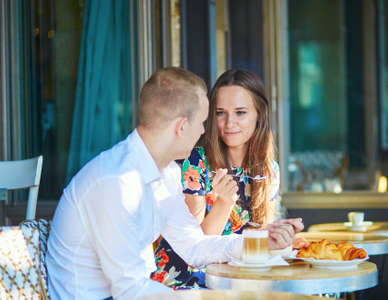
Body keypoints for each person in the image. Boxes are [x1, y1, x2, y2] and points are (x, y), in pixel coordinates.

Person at [46, 67, 303, 300]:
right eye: (203, 122)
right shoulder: (116, 181)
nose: (205, 131)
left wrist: (260, 241)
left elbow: (194, 246)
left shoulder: (165, 173)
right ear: (181, 126)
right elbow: (130, 290)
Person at [153, 69, 308, 288]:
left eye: (240, 112)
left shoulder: (269, 170)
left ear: (259, 115)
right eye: (220, 113)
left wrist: (277, 234)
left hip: (236, 280)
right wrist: (224, 204)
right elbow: (196, 249)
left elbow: (254, 240)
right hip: (186, 282)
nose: (229, 123)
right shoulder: (194, 163)